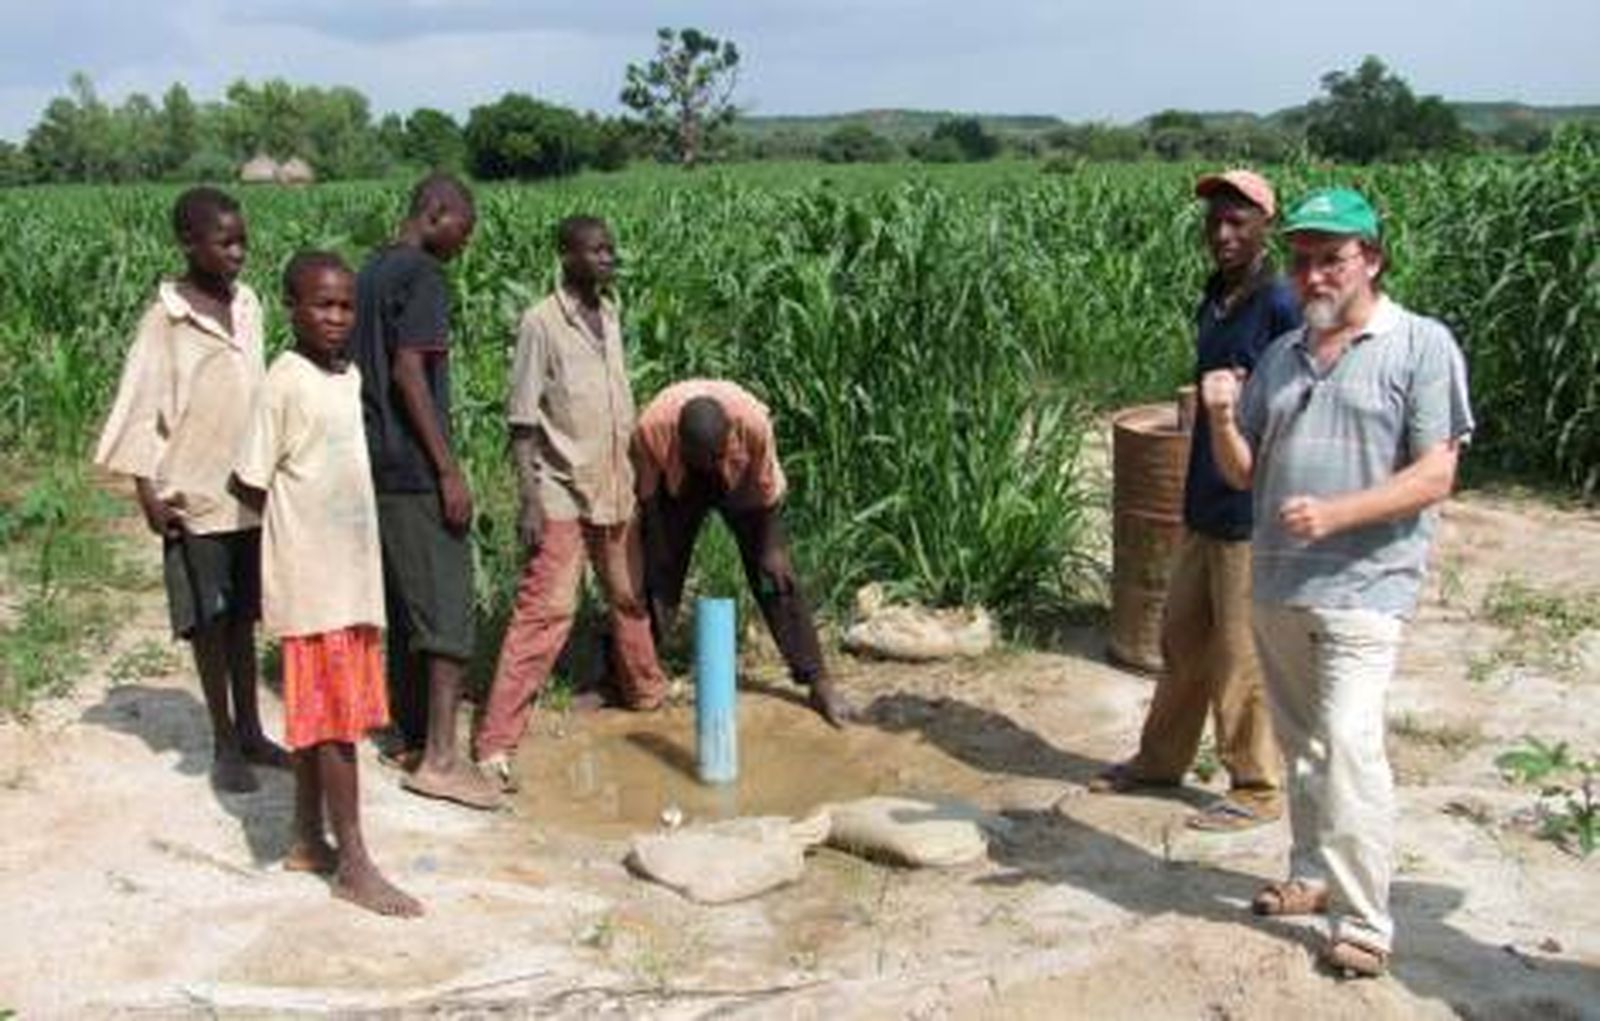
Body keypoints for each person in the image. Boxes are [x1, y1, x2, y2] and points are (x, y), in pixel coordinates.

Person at [1203, 187, 1473, 977]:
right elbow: (1246, 473)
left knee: (1351, 746)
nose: (1314, 275)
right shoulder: (1283, 356)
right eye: (1302, 260)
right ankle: (1312, 874)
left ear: (1372, 260)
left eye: (1332, 259)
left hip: (1367, 587)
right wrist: (1221, 419)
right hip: (1279, 584)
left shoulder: (1420, 345)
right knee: (1305, 748)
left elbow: (1436, 474)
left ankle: (1363, 920)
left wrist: (1339, 512)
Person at [1091, 170, 1299, 831]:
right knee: (1181, 638)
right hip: (1203, 496)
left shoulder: (1281, 303)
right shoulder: (1218, 295)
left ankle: (1257, 786)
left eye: (1238, 221)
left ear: (1267, 224)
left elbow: (1298, 401)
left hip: (1252, 508)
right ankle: (1160, 761)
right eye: (1214, 221)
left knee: (1240, 653)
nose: (1223, 232)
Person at [232, 251, 421, 917]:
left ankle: (308, 837)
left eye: (345, 306)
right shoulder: (284, 381)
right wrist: (271, 569)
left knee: (320, 718)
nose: (336, 317)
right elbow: (249, 480)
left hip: (352, 578)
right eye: (322, 305)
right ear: (292, 306)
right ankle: (356, 863)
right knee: (338, 723)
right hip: (316, 585)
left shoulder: (347, 377)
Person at [94, 186, 287, 793]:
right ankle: (224, 742)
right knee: (210, 619)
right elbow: (140, 405)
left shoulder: (249, 304)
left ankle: (253, 730)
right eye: (224, 242)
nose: (237, 252)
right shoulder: (167, 318)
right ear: (188, 244)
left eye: (243, 241)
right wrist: (146, 490)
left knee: (244, 619)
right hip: (193, 494)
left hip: (248, 494)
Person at [473, 216, 669, 793]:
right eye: (595, 250)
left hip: (614, 484)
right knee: (546, 612)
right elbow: (522, 421)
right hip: (560, 489)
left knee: (628, 597)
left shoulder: (609, 313)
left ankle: (647, 693)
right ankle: (495, 744)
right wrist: (530, 500)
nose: (607, 258)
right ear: (565, 255)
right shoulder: (541, 323)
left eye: (611, 248)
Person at [351, 172, 498, 810]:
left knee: (407, 602)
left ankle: (410, 738)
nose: (465, 244)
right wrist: (448, 470)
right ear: (437, 212)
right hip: (413, 467)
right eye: (463, 229)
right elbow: (411, 372)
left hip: (374, 463)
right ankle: (441, 759)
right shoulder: (422, 277)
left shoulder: (371, 271)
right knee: (447, 610)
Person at [632, 379, 853, 728]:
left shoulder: (752, 423)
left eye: (715, 456)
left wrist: (770, 547)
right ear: (681, 445)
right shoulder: (652, 427)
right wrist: (658, 547)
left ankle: (817, 680)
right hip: (678, 484)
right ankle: (629, 675)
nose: (709, 465)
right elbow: (647, 494)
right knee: (657, 576)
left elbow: (765, 488)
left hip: (742, 478)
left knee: (775, 576)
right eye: (701, 459)